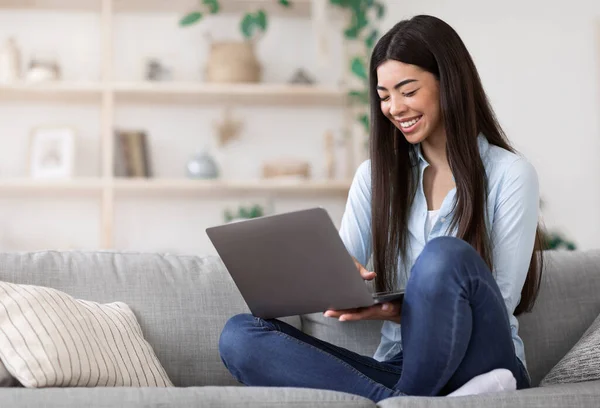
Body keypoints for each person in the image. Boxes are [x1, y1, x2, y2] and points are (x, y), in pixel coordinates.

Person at [218, 14, 544, 402]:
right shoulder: (375, 177)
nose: (394, 108)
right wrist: (337, 279)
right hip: (398, 365)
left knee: (445, 256)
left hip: (483, 358)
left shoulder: (510, 174)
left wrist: (398, 310)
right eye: (385, 96)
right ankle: (407, 401)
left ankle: (404, 398)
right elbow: (340, 271)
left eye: (407, 91)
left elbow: (500, 297)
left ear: (450, 83)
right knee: (240, 336)